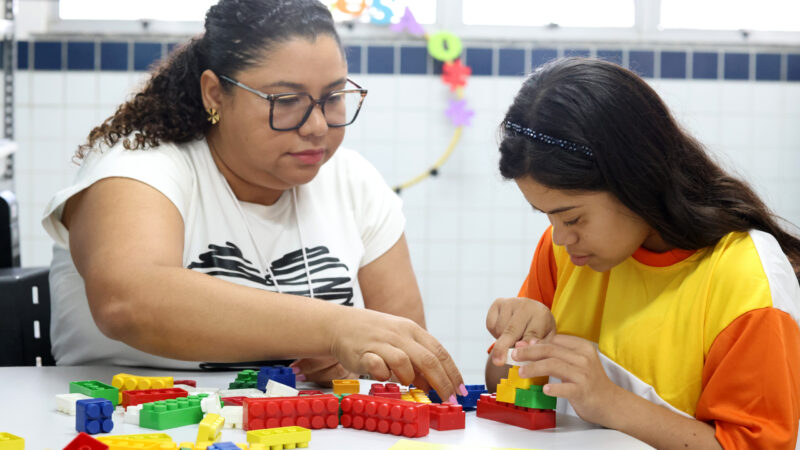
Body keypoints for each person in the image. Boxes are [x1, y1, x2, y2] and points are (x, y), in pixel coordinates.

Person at [41, 0, 466, 402]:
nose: (317, 126)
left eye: (333, 98)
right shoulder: (141, 165)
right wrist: (334, 328)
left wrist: (357, 363)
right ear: (214, 94)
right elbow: (128, 301)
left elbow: (405, 359)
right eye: (286, 101)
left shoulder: (353, 182)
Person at [485, 57, 800, 449]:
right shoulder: (564, 251)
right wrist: (514, 349)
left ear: (636, 180)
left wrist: (611, 402)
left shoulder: (744, 279)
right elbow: (503, 389)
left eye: (573, 217)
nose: (561, 237)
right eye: (549, 217)